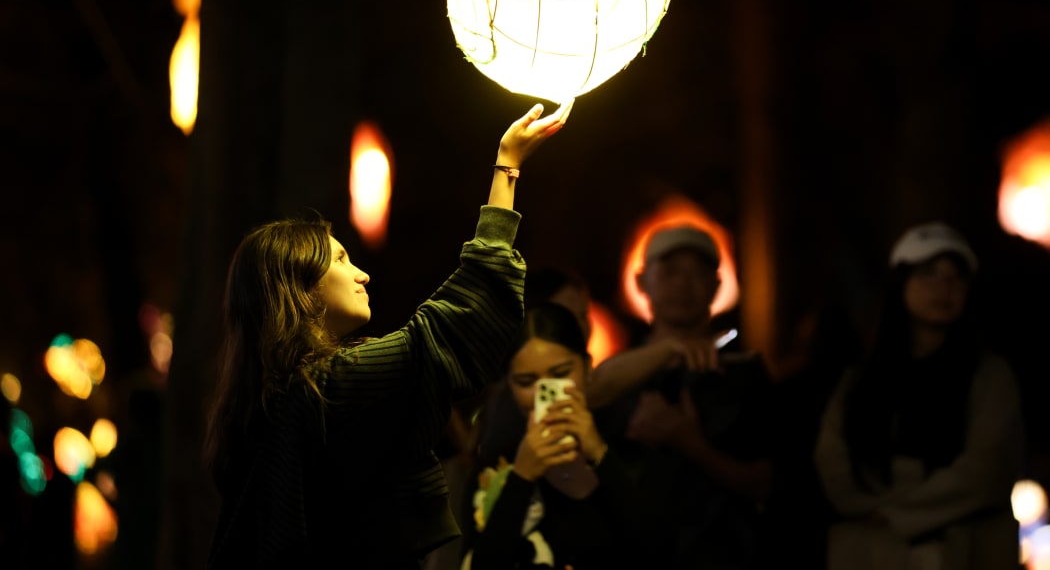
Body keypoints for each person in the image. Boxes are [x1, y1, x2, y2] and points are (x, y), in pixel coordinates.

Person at [202, 99, 574, 569]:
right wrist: (508, 167)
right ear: (297, 287)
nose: (362, 275)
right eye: (339, 259)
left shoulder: (263, 402)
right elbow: (451, 325)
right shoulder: (329, 384)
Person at [813, 221, 1025, 570]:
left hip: (963, 547)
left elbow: (989, 467)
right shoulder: (860, 380)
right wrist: (864, 507)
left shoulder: (989, 375)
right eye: (929, 274)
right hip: (872, 548)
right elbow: (831, 458)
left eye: (956, 277)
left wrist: (897, 511)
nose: (944, 288)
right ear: (901, 283)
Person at [590, 224, 775, 569]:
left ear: (717, 286)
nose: (682, 284)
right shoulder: (615, 377)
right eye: (670, 271)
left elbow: (765, 485)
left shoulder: (743, 373)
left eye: (697, 273)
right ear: (642, 282)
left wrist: (687, 441)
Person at [459, 302, 675, 570]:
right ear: (511, 385)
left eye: (561, 374)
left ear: (586, 369)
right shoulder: (496, 462)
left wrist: (599, 453)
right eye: (526, 382)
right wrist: (521, 478)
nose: (545, 390)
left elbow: (658, 550)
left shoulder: (630, 444)